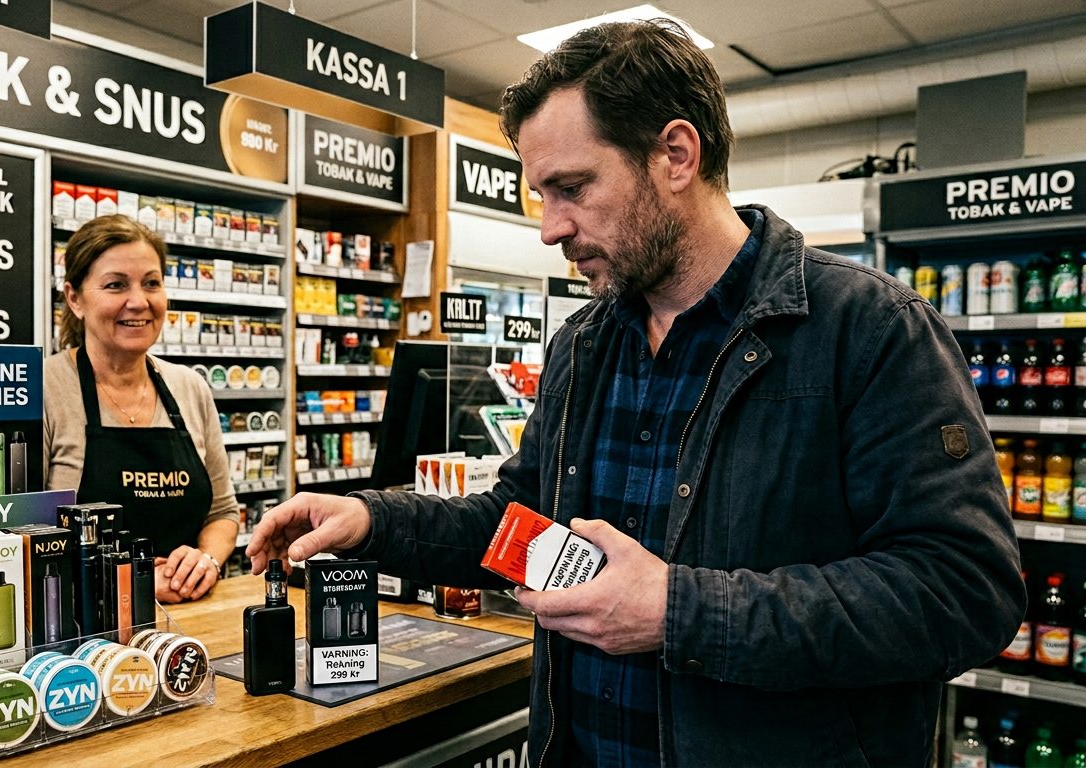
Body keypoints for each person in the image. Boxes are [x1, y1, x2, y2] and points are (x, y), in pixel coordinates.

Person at [248, 19, 1025, 768]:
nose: (551, 229)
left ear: (676, 154)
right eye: (541, 196)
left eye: (573, 187)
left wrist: (678, 612)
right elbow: (520, 527)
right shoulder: (584, 346)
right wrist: (369, 519)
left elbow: (964, 591)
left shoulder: (868, 329)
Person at [45, 214, 238, 605]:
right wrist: (133, 581)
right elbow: (21, 537)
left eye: (151, 283)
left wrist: (205, 561)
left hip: (190, 624)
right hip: (80, 625)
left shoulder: (189, 388)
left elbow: (223, 513)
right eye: (116, 285)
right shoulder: (45, 389)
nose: (139, 301)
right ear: (74, 298)